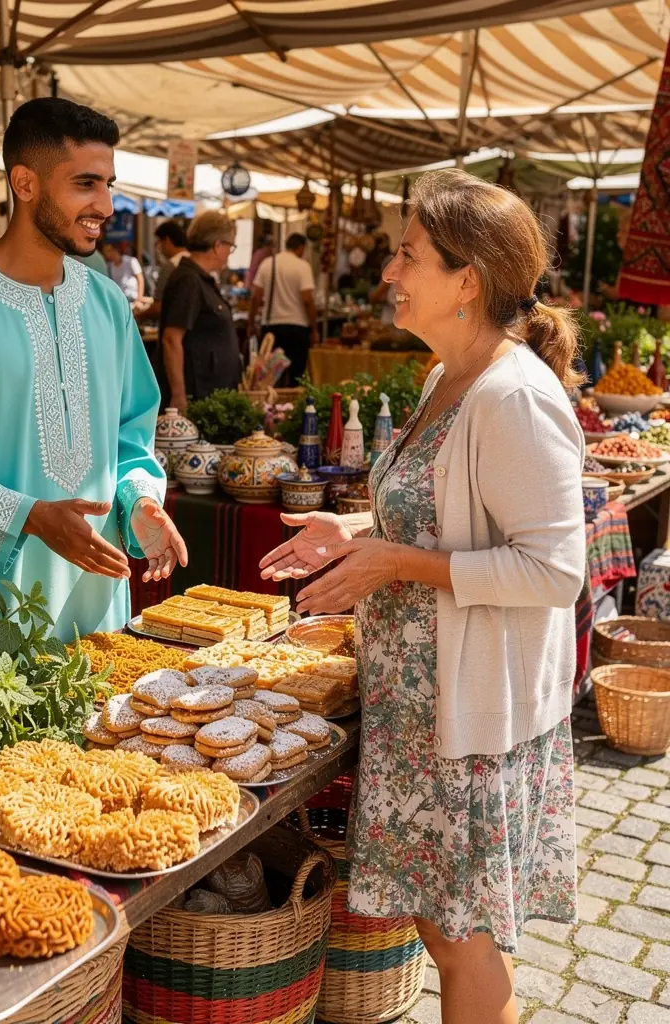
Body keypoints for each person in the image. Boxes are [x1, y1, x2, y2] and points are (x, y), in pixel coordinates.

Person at [259, 169, 585, 1024]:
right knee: (447, 933)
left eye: (408, 255)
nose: (390, 272)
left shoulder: (514, 395)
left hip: (469, 718)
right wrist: (353, 530)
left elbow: (555, 570)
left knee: (460, 939)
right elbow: (443, 513)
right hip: (423, 708)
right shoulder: (450, 375)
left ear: (466, 281)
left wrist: (396, 562)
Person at [0, 97, 187, 642]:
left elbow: (130, 436)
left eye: (108, 184)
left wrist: (140, 502)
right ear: (25, 183)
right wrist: (28, 515)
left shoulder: (108, 305)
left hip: (95, 604)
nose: (106, 205)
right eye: (86, 184)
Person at [155, 211, 242, 410]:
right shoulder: (189, 280)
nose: (229, 253)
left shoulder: (199, 279)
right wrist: (179, 395)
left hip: (209, 394)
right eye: (230, 247)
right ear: (218, 245)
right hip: (198, 395)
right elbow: (171, 339)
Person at [247, 232, 318, 385]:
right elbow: (307, 299)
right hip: (297, 329)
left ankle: (271, 400)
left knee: (269, 379)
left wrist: (251, 323)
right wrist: (314, 328)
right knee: (296, 376)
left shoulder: (268, 264)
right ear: (301, 248)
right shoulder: (302, 266)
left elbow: (255, 297)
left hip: (271, 328)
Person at [145, 219, 188, 322]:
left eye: (159, 243)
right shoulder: (194, 262)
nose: (159, 248)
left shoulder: (170, 267)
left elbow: (159, 307)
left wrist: (137, 316)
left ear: (167, 241)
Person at [102, 241, 144, 305]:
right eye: (105, 252)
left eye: (109, 251)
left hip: (132, 297)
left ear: (115, 250)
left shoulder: (131, 261)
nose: (107, 254)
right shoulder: (110, 266)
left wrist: (139, 300)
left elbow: (140, 280)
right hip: (119, 299)